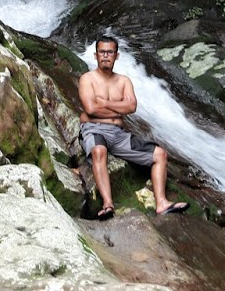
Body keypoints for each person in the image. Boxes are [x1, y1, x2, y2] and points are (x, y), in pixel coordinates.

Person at [78, 36, 188, 219]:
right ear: (95, 55)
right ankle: (107, 204)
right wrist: (117, 109)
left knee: (160, 155)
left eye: (110, 52)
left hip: (119, 134)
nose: (106, 56)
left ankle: (161, 203)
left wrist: (104, 103)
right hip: (94, 129)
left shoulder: (124, 81)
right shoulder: (87, 79)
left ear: (117, 56)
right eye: (102, 52)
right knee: (99, 151)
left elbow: (132, 107)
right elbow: (90, 109)